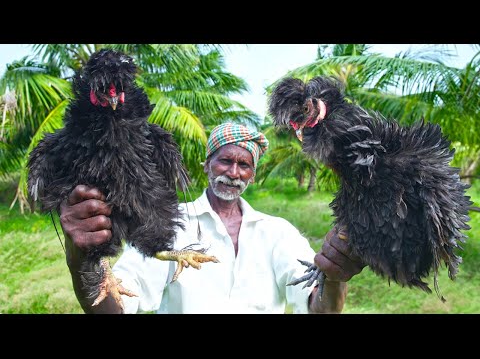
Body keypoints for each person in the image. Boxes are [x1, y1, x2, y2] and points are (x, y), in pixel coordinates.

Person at [61, 122, 365, 314]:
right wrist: (83, 261)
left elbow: (320, 309)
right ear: (207, 164)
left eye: (244, 165)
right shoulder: (168, 223)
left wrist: (335, 277)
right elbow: (116, 307)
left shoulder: (278, 233)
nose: (233, 173)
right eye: (225, 161)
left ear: (253, 175)